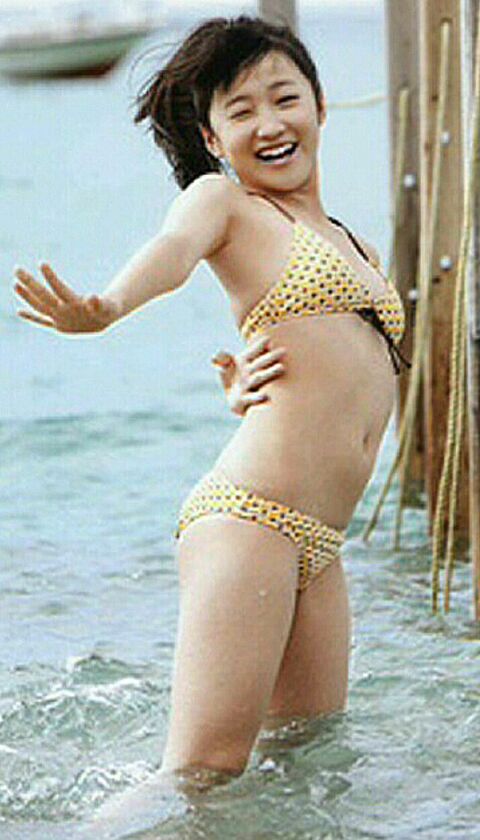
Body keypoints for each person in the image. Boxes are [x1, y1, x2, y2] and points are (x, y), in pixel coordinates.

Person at [14, 16, 410, 784]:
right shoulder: (224, 203)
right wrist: (106, 306)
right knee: (201, 772)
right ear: (213, 136)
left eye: (285, 98)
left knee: (307, 764)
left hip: (321, 543)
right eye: (242, 110)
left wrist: (242, 388)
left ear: (320, 106)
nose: (270, 124)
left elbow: (336, 364)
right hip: (252, 518)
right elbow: (171, 253)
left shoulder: (354, 243)